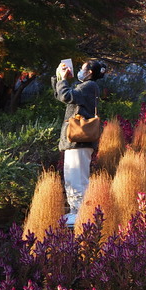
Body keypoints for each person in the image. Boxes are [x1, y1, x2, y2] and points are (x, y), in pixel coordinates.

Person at [53, 59, 106, 226]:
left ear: (90, 72)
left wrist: (63, 80)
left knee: (77, 177)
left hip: (79, 141)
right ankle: (75, 211)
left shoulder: (89, 87)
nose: (81, 70)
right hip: (76, 141)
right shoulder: (86, 87)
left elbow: (66, 95)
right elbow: (61, 95)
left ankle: (80, 213)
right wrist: (59, 78)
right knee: (72, 176)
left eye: (83, 68)